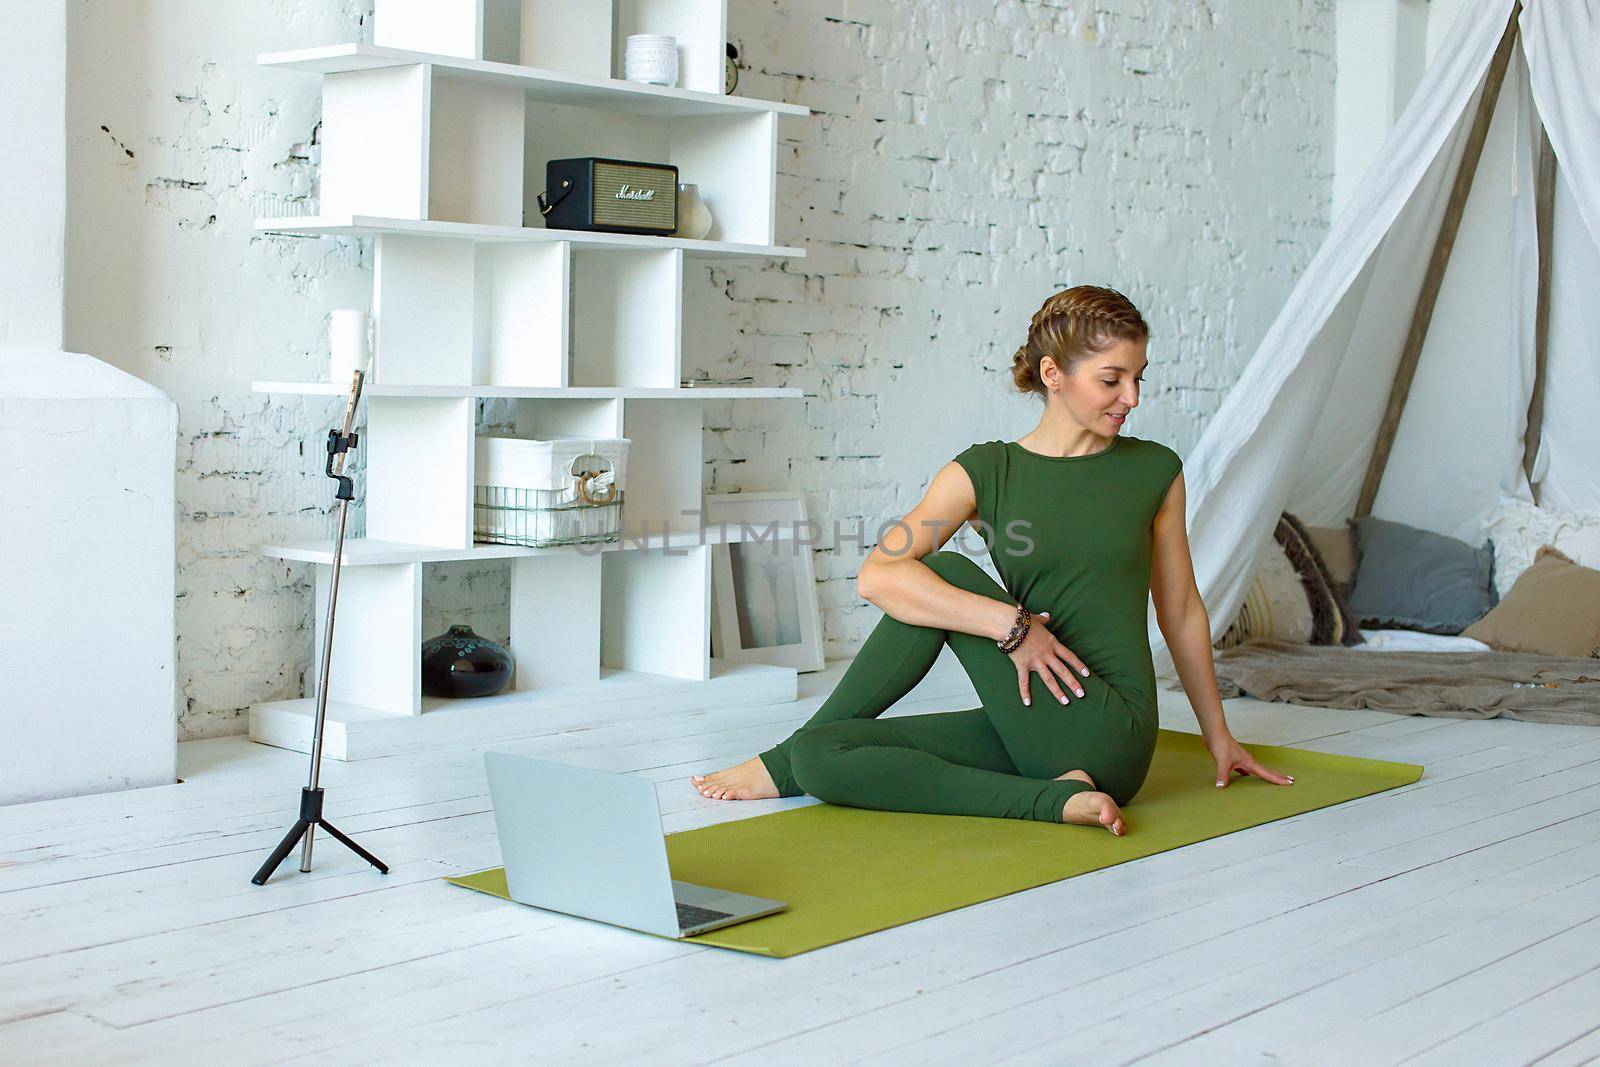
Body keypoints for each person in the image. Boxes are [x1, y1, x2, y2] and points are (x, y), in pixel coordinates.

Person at [692, 285, 1293, 835]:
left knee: (946, 570)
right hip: (1035, 715)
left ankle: (778, 765)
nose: (1131, 398)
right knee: (822, 756)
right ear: (1053, 374)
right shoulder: (986, 470)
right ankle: (1061, 798)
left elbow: (1181, 610)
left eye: (1138, 378)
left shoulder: (1154, 470)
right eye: (1112, 380)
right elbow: (877, 574)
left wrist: (1219, 734)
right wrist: (1013, 628)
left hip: (1114, 727)